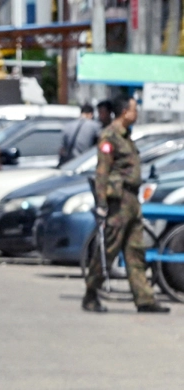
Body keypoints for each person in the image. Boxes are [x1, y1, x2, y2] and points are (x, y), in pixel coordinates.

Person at [83, 95, 170, 314]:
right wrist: (101, 204)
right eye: (134, 109)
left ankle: (144, 299)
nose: (137, 112)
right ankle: (91, 293)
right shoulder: (110, 136)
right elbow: (102, 172)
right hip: (117, 203)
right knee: (109, 249)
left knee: (135, 251)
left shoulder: (127, 137)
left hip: (131, 200)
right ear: (124, 112)